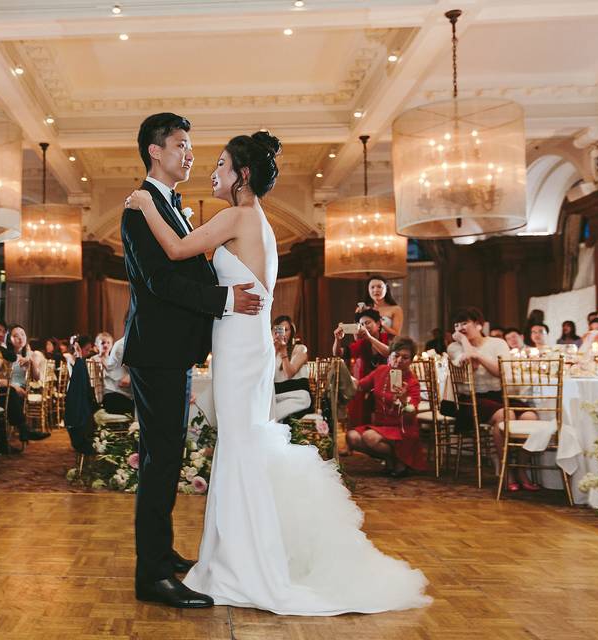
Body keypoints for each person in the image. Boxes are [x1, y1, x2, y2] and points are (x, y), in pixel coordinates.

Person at [126, 124, 429, 615]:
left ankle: (244, 558)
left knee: (241, 443)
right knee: (242, 441)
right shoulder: (255, 220)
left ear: (242, 175)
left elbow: (179, 252)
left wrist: (143, 205)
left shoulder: (238, 216)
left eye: (221, 164)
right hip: (242, 343)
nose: (210, 169)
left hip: (241, 345)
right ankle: (236, 551)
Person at [120, 113, 266, 609]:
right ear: (154, 151)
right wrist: (226, 302)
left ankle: (161, 554)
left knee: (167, 458)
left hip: (174, 353)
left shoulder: (171, 208)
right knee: (159, 463)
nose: (190, 154)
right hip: (156, 353)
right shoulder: (138, 210)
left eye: (192, 146)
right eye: (181, 144)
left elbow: (189, 263)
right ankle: (152, 575)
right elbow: (160, 283)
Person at [446, 307, 541, 492]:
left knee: (531, 418)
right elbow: (471, 365)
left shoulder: (498, 343)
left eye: (465, 323)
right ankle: (506, 471)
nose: (460, 328)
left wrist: (476, 353)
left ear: (479, 325)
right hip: (471, 399)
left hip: (498, 394)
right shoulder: (454, 347)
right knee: (506, 415)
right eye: (456, 325)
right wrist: (465, 341)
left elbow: (500, 372)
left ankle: (520, 469)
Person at [346, 337, 428, 478]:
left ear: (411, 360)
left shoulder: (412, 382)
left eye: (405, 357)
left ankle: (400, 459)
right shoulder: (381, 370)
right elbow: (360, 385)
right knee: (351, 437)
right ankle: (392, 460)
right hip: (381, 426)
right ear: (390, 355)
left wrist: (403, 402)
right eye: (396, 355)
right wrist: (344, 375)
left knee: (369, 437)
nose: (399, 360)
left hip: (402, 429)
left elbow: (411, 414)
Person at [333, 308, 390, 429]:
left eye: (368, 323)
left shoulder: (386, 338)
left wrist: (369, 338)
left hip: (387, 385)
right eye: (362, 324)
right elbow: (338, 353)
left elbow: (389, 353)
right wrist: (337, 339)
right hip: (367, 386)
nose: (364, 326)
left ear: (378, 324)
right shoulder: (362, 343)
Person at [6, 324, 50, 442]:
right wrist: (12, 386)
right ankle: (25, 430)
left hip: (21, 389)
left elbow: (36, 377)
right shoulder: (6, 354)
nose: (20, 338)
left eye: (23, 334)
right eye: (15, 335)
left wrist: (31, 362)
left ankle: (23, 430)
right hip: (8, 387)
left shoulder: (30, 355)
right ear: (9, 338)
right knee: (13, 395)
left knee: (16, 395)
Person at [272, 314, 311, 421]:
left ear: (292, 332)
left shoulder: (300, 349)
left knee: (270, 417)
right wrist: (274, 350)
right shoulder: (269, 353)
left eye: (286, 330)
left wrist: (283, 351)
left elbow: (289, 374)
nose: (282, 333)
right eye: (279, 329)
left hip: (297, 398)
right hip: (277, 398)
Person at [100, 334, 134, 415]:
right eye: (103, 343)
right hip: (111, 393)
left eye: (108, 343)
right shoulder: (95, 359)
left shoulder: (112, 358)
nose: (106, 345)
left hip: (122, 393)